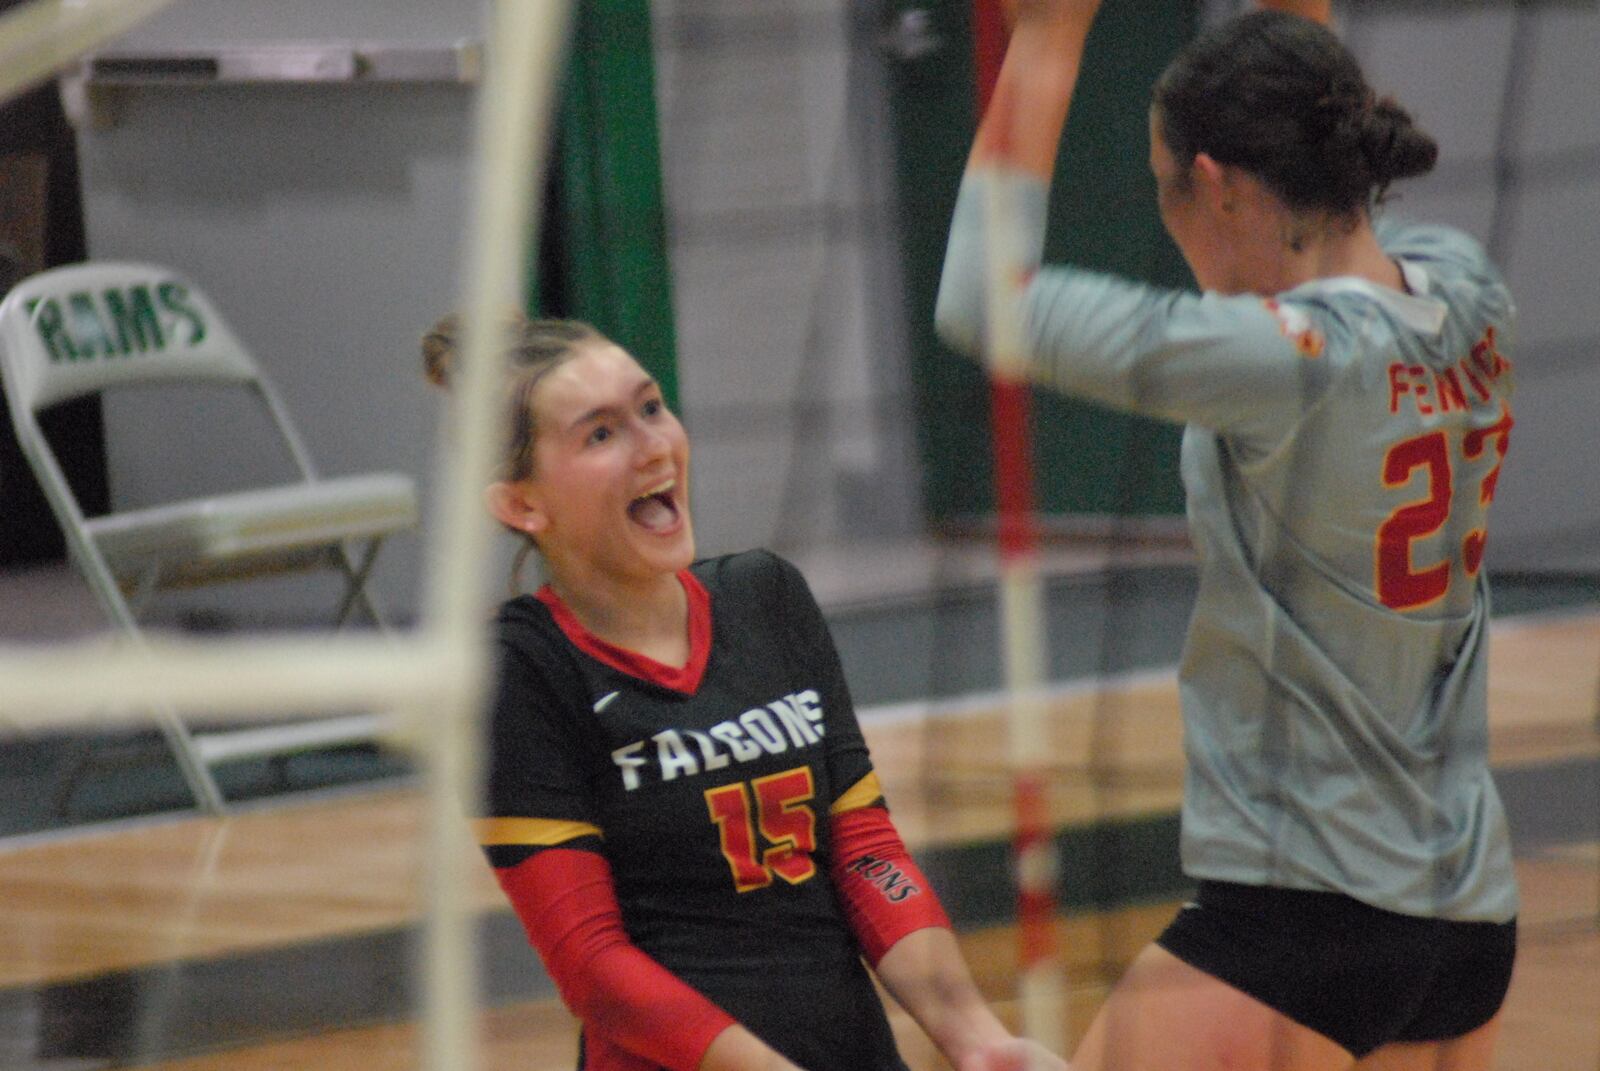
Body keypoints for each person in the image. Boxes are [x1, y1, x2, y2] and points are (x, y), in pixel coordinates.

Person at [935, 3, 1518, 1070]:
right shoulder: (1468, 290)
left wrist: (1049, 39)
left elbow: (981, 304)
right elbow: (1305, 82)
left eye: (1163, 186)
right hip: (1468, 912)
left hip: (1304, 911)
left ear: (1217, 184)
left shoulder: (1281, 363)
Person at [421, 313, 1067, 1071]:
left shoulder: (767, 597)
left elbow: (862, 850)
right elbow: (593, 967)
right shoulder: (516, 670)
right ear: (522, 505)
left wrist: (974, 1036)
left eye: (652, 407)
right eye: (600, 434)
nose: (655, 445)